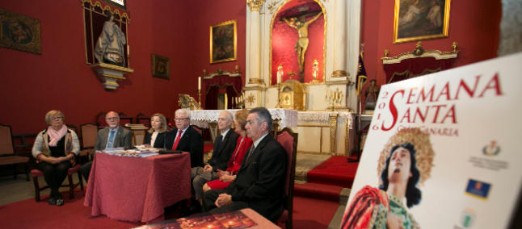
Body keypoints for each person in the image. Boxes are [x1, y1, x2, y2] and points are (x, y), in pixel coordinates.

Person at [203, 107, 287, 222]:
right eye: (247, 122)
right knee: (208, 196)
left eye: (250, 122)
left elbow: (263, 188)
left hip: (260, 204)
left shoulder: (272, 151)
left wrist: (232, 197)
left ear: (263, 126)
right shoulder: (254, 145)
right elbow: (241, 177)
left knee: (212, 217)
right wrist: (228, 193)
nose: (246, 126)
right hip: (246, 194)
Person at [341, 128, 435, 229]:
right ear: (388, 168)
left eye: (403, 155)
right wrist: (385, 215)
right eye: (393, 157)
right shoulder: (370, 196)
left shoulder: (411, 222)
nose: (397, 158)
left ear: (411, 172)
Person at [32, 110, 80, 206]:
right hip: (46, 159)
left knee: (61, 168)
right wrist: (48, 159)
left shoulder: (70, 133)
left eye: (60, 118)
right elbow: (35, 150)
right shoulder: (42, 134)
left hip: (65, 158)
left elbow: (76, 148)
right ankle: (57, 194)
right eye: (54, 118)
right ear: (49, 121)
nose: (58, 120)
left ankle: (53, 194)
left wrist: (63, 158)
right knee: (48, 169)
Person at [191, 110, 239, 206]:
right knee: (189, 172)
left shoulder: (234, 137)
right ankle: (191, 202)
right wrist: (208, 164)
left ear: (230, 122)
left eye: (223, 119)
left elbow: (230, 161)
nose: (219, 122)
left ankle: (201, 205)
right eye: (219, 119)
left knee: (197, 180)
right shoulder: (218, 137)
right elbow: (214, 157)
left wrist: (213, 168)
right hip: (213, 168)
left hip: (221, 171)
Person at [203, 109, 253, 192]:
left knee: (206, 186)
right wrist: (228, 172)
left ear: (242, 124)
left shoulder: (248, 140)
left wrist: (231, 175)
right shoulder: (240, 138)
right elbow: (232, 160)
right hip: (229, 172)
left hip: (237, 177)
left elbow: (244, 166)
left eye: (236, 121)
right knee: (203, 183)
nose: (234, 123)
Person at [80, 111, 133, 180]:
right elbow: (96, 148)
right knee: (84, 168)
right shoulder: (101, 132)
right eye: (109, 118)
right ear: (106, 121)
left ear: (118, 119)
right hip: (102, 159)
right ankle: (95, 188)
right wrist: (97, 158)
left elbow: (127, 149)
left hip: (117, 160)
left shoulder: (126, 132)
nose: (112, 120)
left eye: (114, 118)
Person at [283, 12, 323, 76]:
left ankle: (302, 67)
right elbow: (290, 24)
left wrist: (321, 13)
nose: (298, 22)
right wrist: (285, 19)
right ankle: (300, 68)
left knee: (302, 55)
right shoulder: (297, 27)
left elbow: (314, 18)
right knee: (299, 55)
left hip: (305, 40)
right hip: (300, 40)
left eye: (300, 20)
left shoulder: (305, 24)